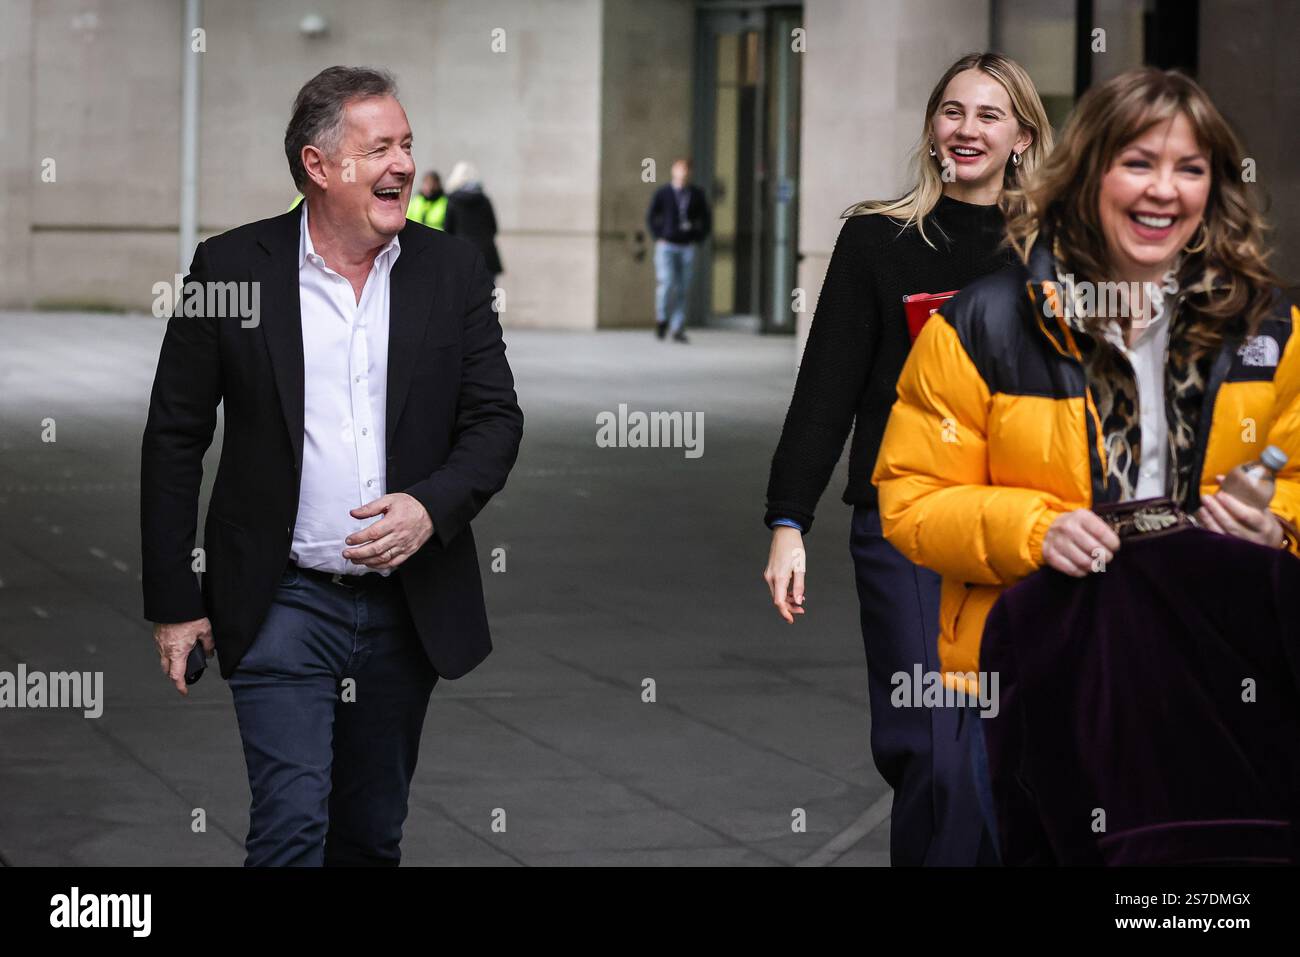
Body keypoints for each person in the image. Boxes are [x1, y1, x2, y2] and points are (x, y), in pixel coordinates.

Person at [872, 66, 1300, 863]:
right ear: (1088, 172)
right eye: (1138, 162)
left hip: (1220, 671)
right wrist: (1036, 530)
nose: (1164, 190)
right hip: (1045, 669)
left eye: (1190, 168)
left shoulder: (1271, 328)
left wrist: (1279, 525)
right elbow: (912, 496)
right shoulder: (985, 322)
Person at [140, 66, 524, 866]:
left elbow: (494, 420)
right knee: (289, 830)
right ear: (319, 167)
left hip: (404, 610)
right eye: (378, 147)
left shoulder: (449, 271)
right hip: (280, 601)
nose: (402, 164)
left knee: (369, 835)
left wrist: (430, 507)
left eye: (408, 145)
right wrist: (175, 599)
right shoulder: (231, 268)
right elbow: (176, 434)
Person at [762, 53, 1052, 866]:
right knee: (933, 743)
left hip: (1024, 525)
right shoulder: (874, 239)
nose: (966, 130)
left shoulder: (1054, 251)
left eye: (989, 116)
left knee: (1013, 745)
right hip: (906, 527)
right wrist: (789, 521)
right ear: (931, 128)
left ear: (1022, 137)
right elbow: (826, 390)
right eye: (952, 112)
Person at [645, 158, 711, 342]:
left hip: (686, 246)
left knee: (683, 287)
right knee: (666, 283)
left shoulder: (696, 194)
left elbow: (706, 218)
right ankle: (662, 319)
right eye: (680, 170)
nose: (683, 174)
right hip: (667, 245)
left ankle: (677, 327)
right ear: (674, 171)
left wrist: (698, 236)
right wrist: (659, 235)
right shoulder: (663, 193)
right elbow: (651, 216)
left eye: (686, 170)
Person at [443, 161, 503, 283]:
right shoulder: (484, 200)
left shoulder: (453, 201)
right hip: (486, 254)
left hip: (461, 254)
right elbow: (493, 227)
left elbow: (448, 229)